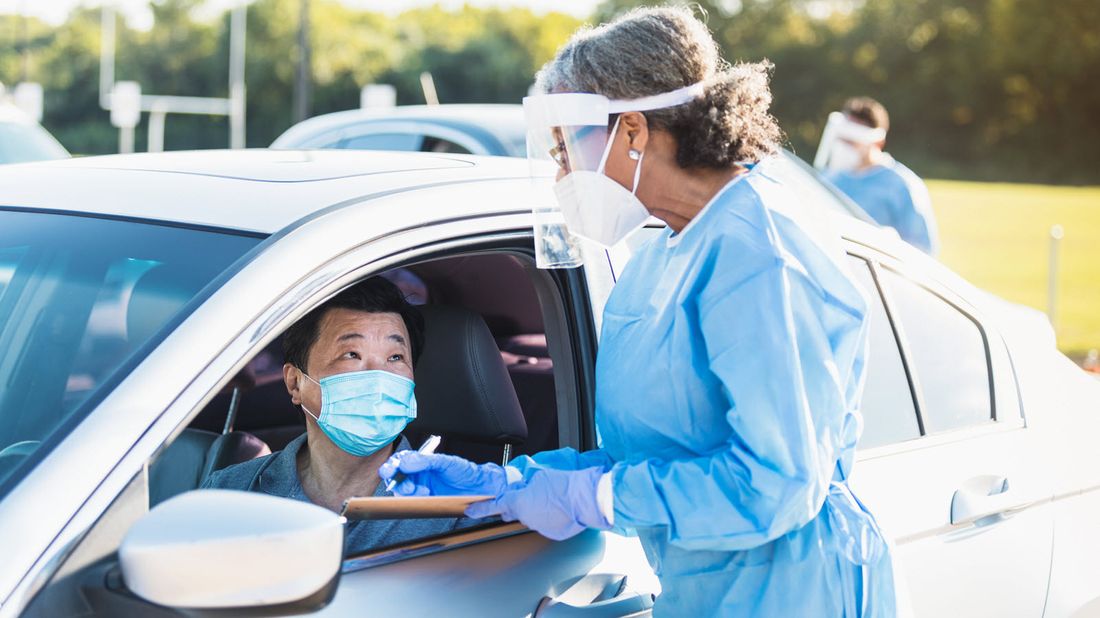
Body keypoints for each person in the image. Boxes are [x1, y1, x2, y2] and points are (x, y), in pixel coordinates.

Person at [381, 7, 899, 616]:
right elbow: (654, 459)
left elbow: (775, 485)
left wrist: (594, 497)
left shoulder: (760, 255)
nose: (559, 170)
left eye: (567, 144)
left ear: (631, 131)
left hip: (796, 591)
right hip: (703, 592)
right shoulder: (659, 256)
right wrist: (514, 485)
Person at [203, 276, 472, 555]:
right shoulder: (229, 492)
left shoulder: (455, 509)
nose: (378, 377)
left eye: (395, 357)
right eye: (352, 354)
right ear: (295, 382)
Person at [817, 96, 939, 255]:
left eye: (852, 140)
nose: (844, 146)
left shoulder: (901, 185)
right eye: (842, 139)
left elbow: (923, 249)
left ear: (877, 142)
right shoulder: (829, 178)